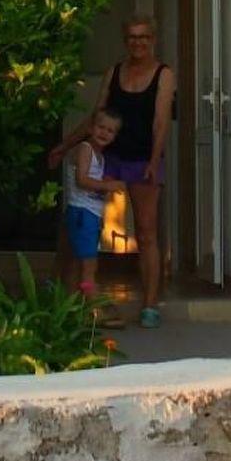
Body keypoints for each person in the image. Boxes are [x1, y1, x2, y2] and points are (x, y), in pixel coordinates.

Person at [50, 16, 175, 328]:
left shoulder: (164, 74)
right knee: (78, 221)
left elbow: (161, 122)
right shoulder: (115, 72)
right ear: (125, 40)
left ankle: (150, 305)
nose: (138, 42)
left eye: (143, 37)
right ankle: (65, 299)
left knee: (146, 232)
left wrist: (153, 161)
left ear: (153, 39)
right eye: (132, 37)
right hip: (107, 158)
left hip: (142, 160)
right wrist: (65, 146)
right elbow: (97, 117)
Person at [60, 109, 125, 302]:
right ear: (90, 128)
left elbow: (92, 185)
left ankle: (72, 305)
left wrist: (104, 187)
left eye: (110, 131)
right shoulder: (85, 149)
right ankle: (92, 307)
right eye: (101, 127)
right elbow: (81, 180)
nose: (104, 133)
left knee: (77, 264)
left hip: (89, 214)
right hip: (83, 213)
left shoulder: (100, 156)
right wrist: (107, 185)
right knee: (89, 267)